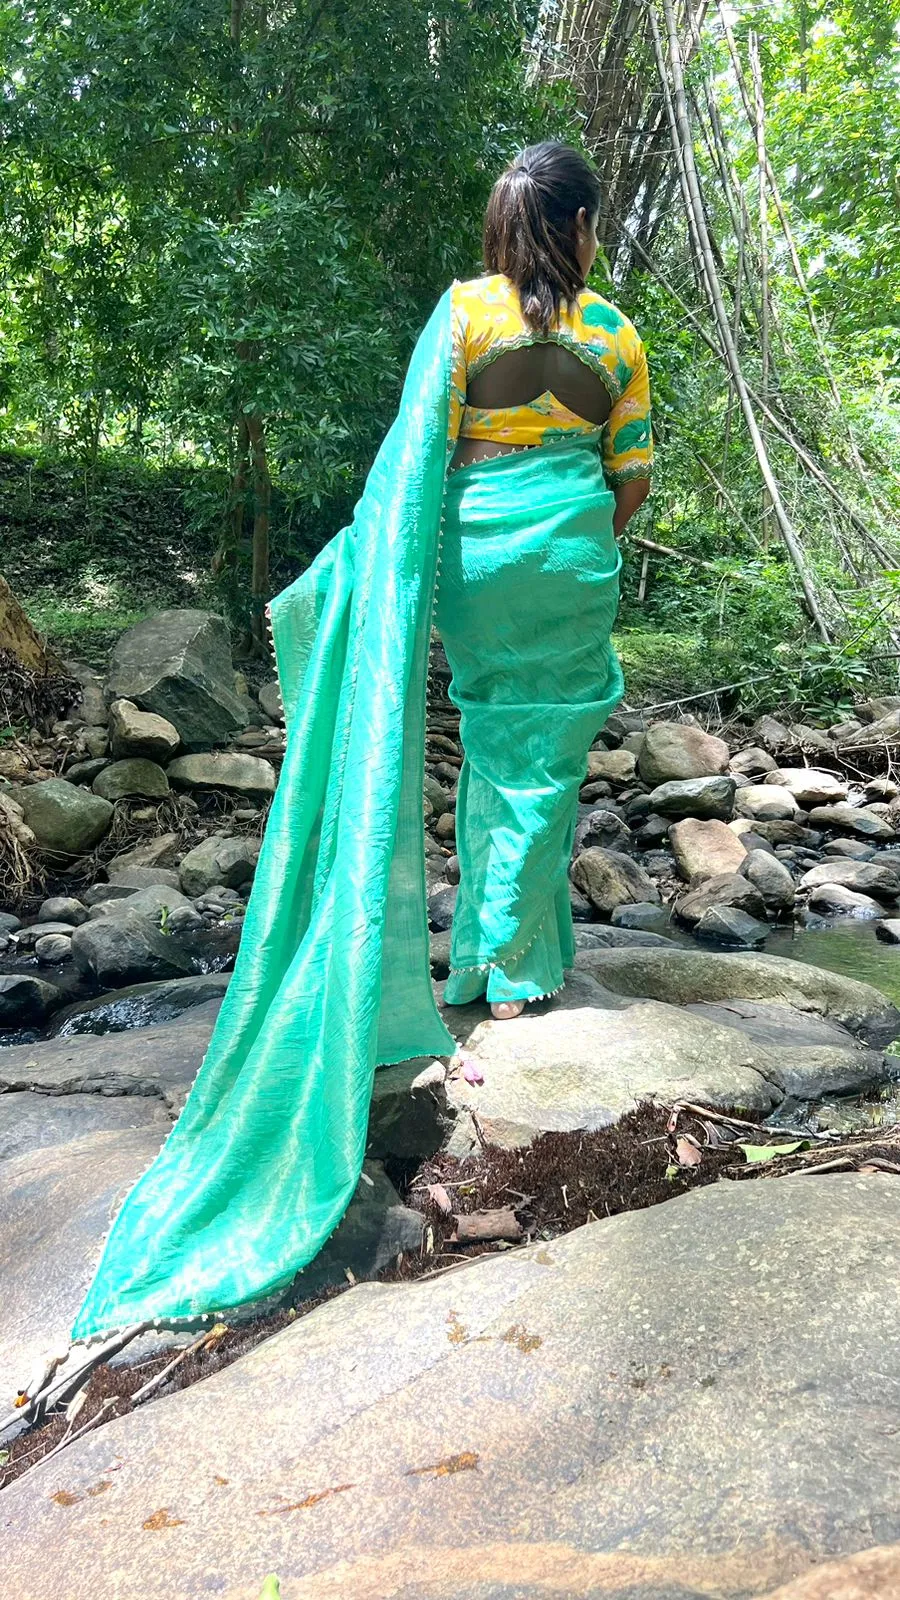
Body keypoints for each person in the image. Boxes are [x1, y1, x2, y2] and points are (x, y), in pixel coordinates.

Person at [69, 142, 652, 1346]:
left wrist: (393, 564)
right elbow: (630, 473)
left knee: (493, 739)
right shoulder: (616, 335)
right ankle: (514, 964)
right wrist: (578, 528)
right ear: (583, 226)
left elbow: (413, 469)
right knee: (543, 755)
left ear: (509, 225)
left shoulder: (464, 315)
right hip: (575, 548)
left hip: (479, 552)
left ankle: (484, 968)